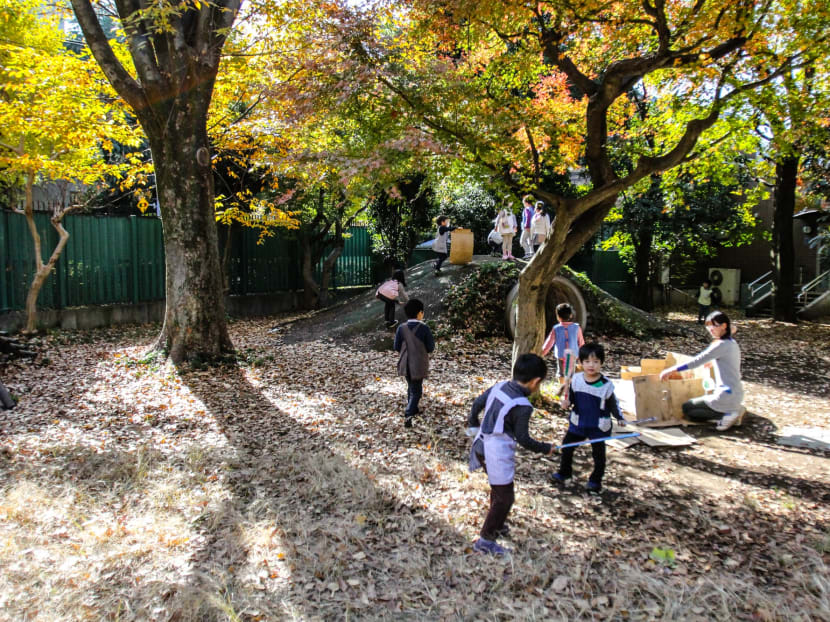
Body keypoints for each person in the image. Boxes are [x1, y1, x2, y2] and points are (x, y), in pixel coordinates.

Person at [467, 353, 554, 555]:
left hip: (481, 445)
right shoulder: (523, 406)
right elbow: (523, 438)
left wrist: (473, 424)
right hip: (495, 453)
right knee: (505, 498)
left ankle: (496, 524)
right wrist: (545, 447)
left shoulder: (499, 386)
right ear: (536, 381)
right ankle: (486, 540)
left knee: (499, 492)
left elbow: (477, 403)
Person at [551, 343, 624, 493]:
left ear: (602, 363)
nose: (591, 365)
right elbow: (571, 398)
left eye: (596, 362)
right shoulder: (576, 379)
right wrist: (566, 402)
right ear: (581, 363)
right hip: (578, 422)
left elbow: (613, 404)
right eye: (587, 362)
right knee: (567, 447)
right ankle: (564, 472)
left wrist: (620, 417)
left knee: (598, 455)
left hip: (598, 426)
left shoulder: (606, 385)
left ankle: (595, 480)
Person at [659, 310, 745, 431]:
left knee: (687, 409)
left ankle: (726, 414)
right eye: (708, 327)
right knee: (692, 407)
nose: (710, 330)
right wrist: (713, 361)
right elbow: (732, 331)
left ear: (724, 326)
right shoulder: (731, 342)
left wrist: (672, 369)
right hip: (736, 393)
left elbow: (697, 361)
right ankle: (732, 410)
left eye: (713, 326)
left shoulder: (720, 345)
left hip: (724, 396)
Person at [394, 299, 435, 428]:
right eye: (422, 312)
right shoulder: (424, 328)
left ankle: (413, 407)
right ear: (419, 313)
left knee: (411, 386)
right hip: (418, 364)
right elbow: (430, 347)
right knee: (417, 390)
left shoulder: (401, 328)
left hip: (405, 363)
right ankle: (409, 413)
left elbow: (396, 346)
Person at [541, 303, 585, 397]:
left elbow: (549, 342)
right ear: (571, 315)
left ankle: (563, 388)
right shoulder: (577, 327)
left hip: (561, 356)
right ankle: (569, 391)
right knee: (570, 374)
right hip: (573, 355)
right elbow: (581, 343)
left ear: (558, 317)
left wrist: (542, 352)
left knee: (561, 374)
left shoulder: (556, 328)